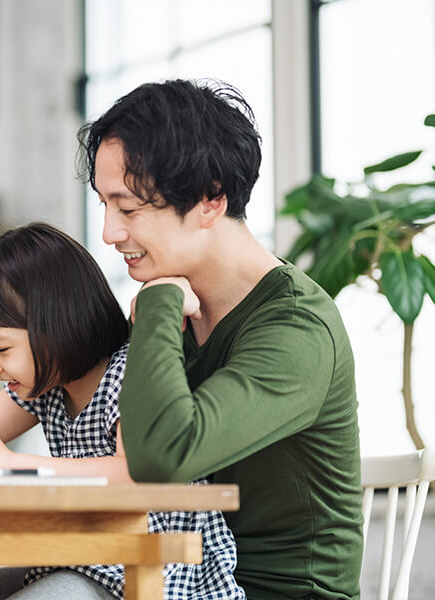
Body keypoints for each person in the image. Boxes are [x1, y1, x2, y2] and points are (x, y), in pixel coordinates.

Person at [80, 78, 364, 599]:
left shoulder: (297, 328)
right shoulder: (182, 308)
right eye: (104, 205)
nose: (109, 233)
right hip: (169, 575)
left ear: (211, 199)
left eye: (129, 208)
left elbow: (162, 457)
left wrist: (159, 303)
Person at [0, 222, 244, 600]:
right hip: (83, 563)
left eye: (1, 347)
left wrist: (14, 464)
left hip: (152, 573)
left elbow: (136, 474)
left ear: (57, 326)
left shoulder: (130, 375)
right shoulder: (47, 388)